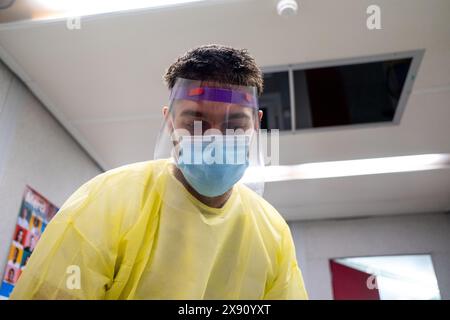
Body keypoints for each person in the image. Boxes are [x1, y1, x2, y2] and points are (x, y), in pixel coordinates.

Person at [11, 44, 308, 300]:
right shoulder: (107, 201)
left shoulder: (273, 233)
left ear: (256, 124)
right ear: (170, 121)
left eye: (235, 126)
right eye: (196, 123)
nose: (215, 140)